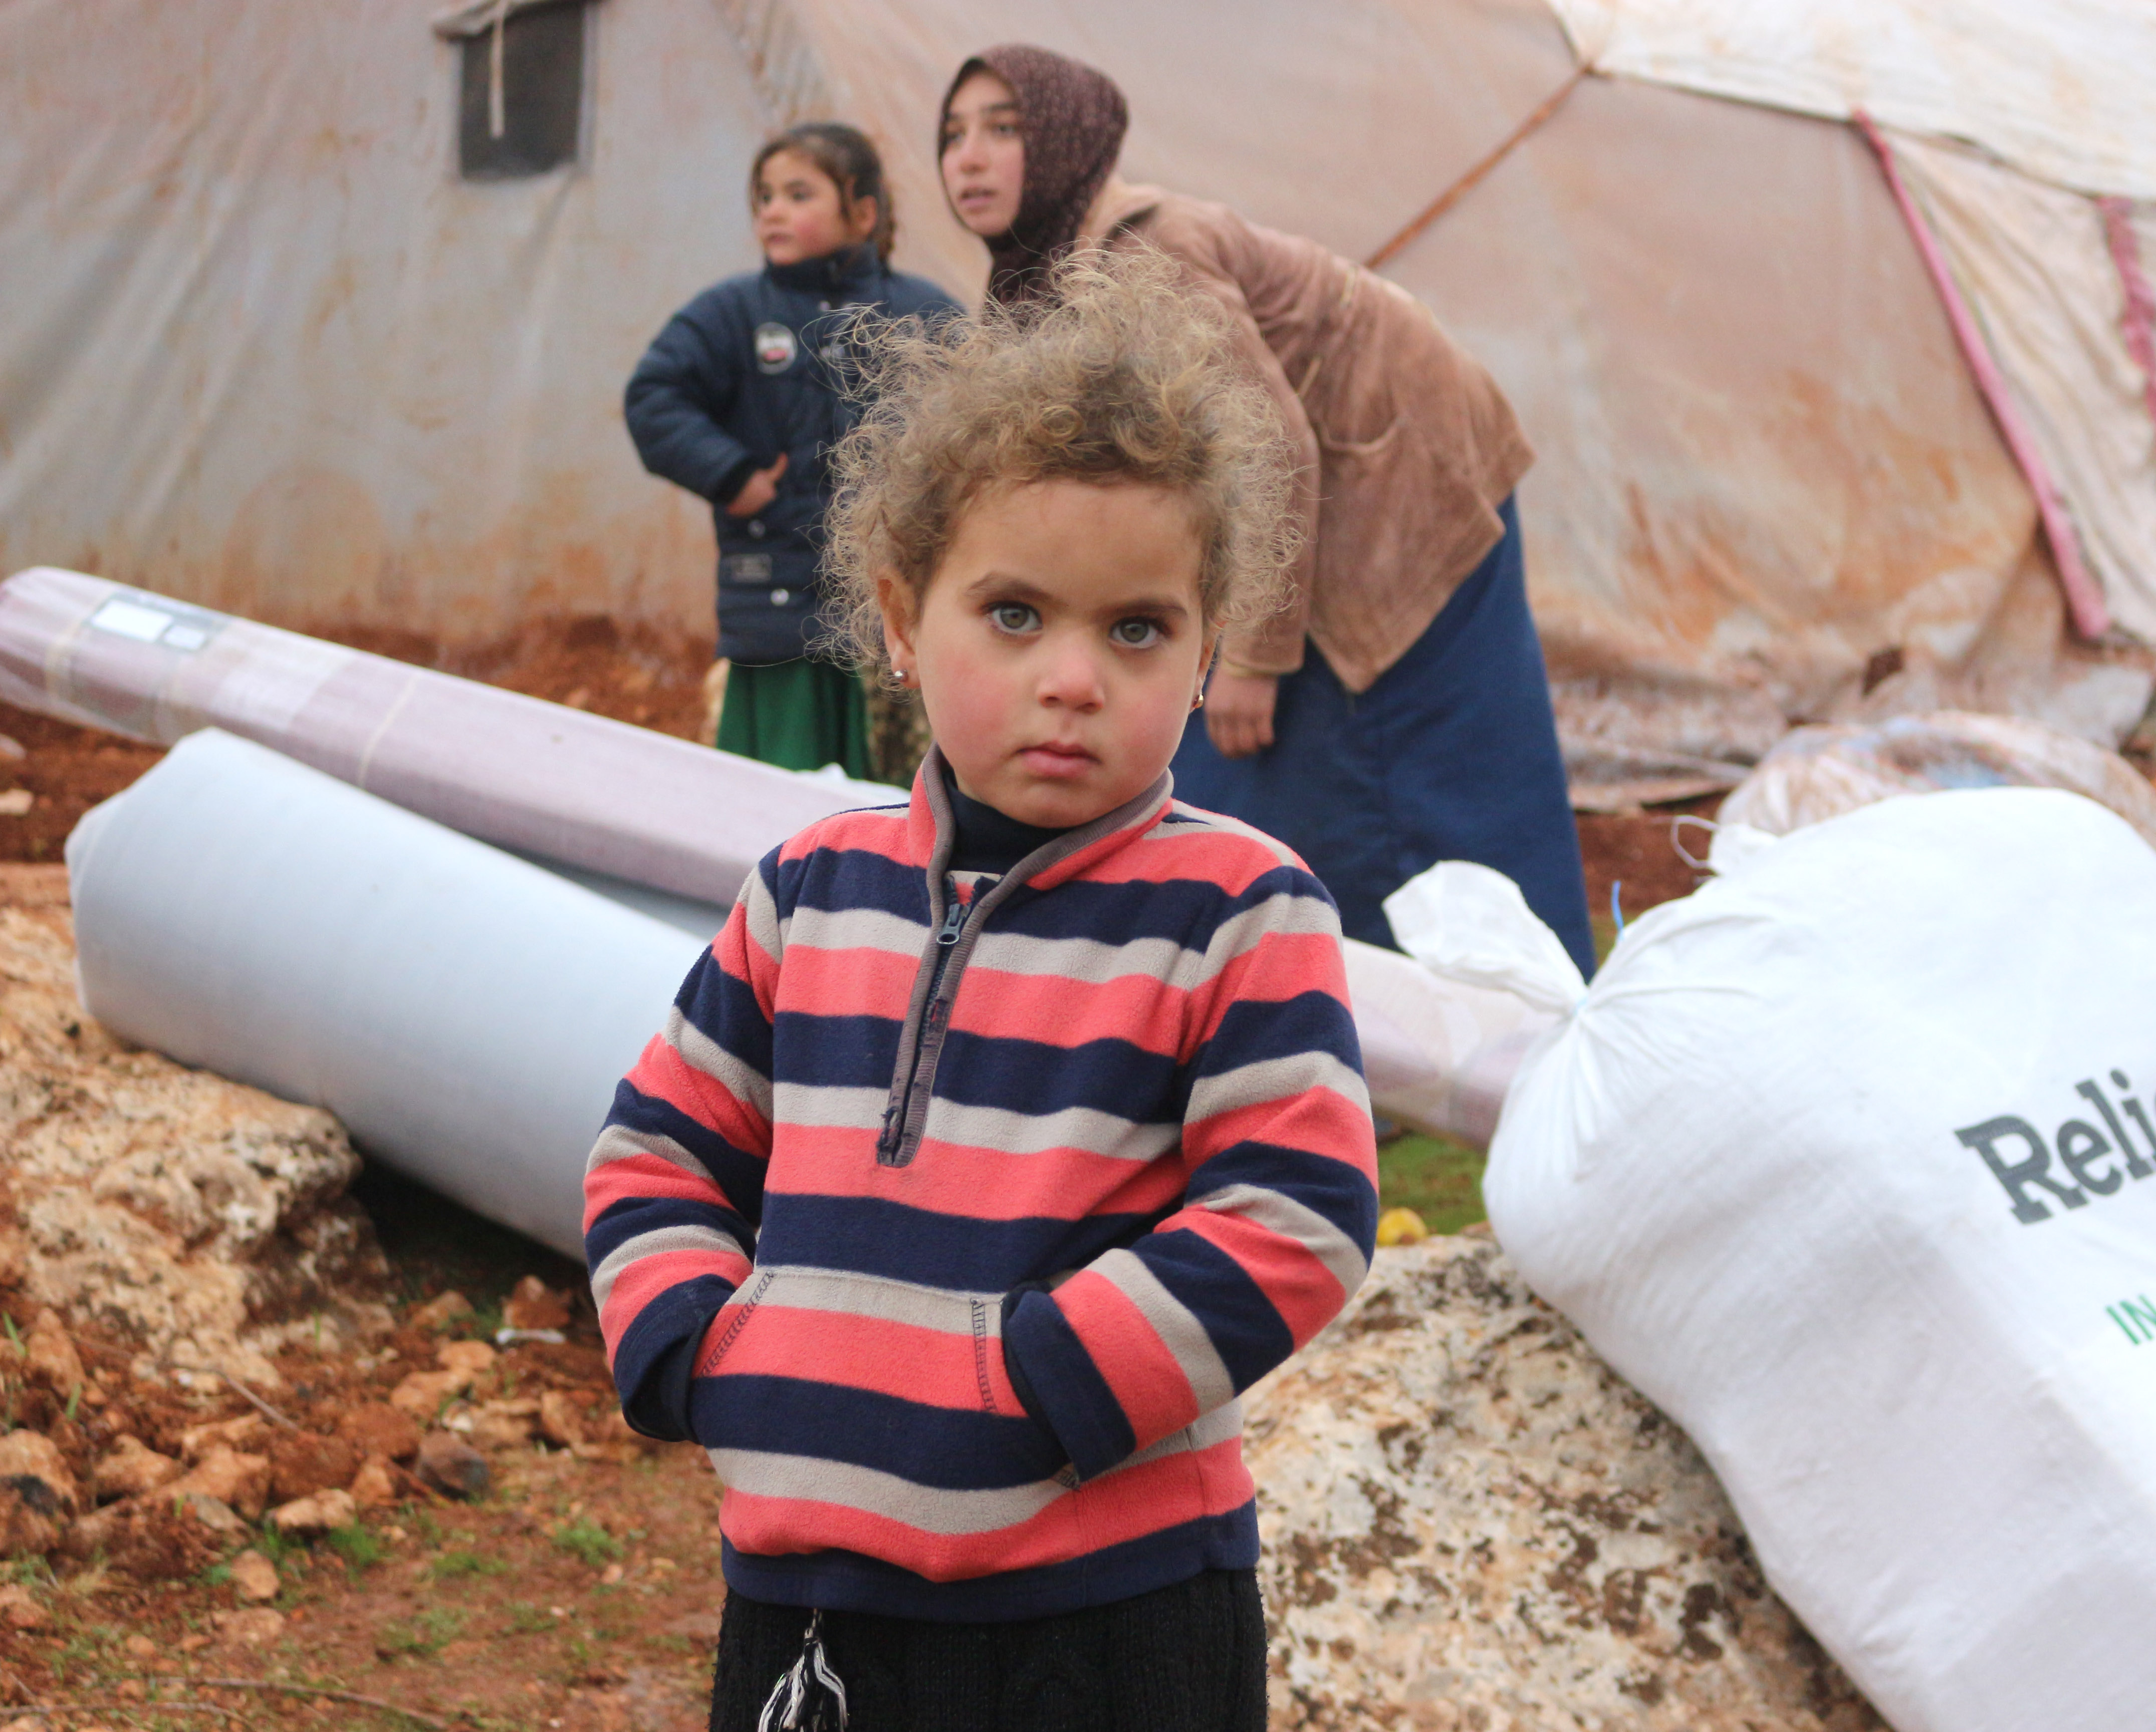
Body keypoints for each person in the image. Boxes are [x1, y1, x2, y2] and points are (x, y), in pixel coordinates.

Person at [583, 257, 1378, 1732]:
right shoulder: (811, 890)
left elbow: (1296, 1213)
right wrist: (694, 1344)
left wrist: (1040, 1383)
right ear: (901, 616)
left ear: (1207, 652)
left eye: (1137, 628)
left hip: (1111, 1612)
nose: (1072, 677)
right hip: (805, 1603)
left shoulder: (1238, 913)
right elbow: (660, 1145)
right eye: (1014, 615)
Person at [936, 44, 1599, 977]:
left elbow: (1271, 442)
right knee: (1287, 772)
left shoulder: (1145, 248)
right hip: (1339, 514)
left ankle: (1499, 1027)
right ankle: (1287, 995)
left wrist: (1254, 650)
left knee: (1419, 776)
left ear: (1066, 138)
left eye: (1004, 130)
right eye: (954, 135)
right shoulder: (1052, 269)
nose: (968, 157)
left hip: (1403, 495)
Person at [625, 123, 958, 783]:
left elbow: (984, 419)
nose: (772, 210)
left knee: (890, 805)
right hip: (777, 616)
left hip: (896, 615)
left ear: (863, 212)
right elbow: (653, 396)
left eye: (798, 194)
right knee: (771, 802)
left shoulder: (924, 313)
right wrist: (732, 475)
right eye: (765, 196)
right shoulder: (732, 312)